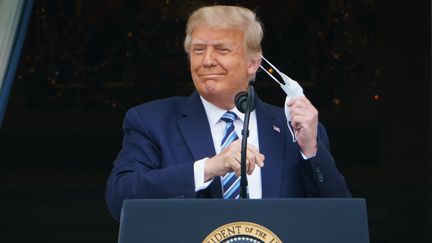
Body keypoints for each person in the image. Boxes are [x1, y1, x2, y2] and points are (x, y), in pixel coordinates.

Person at [105, 5, 351, 220]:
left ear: (253, 63)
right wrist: (209, 168)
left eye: (222, 50)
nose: (207, 61)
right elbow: (121, 198)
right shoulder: (151, 121)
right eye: (199, 50)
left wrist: (311, 151)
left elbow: (340, 219)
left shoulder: (294, 128)